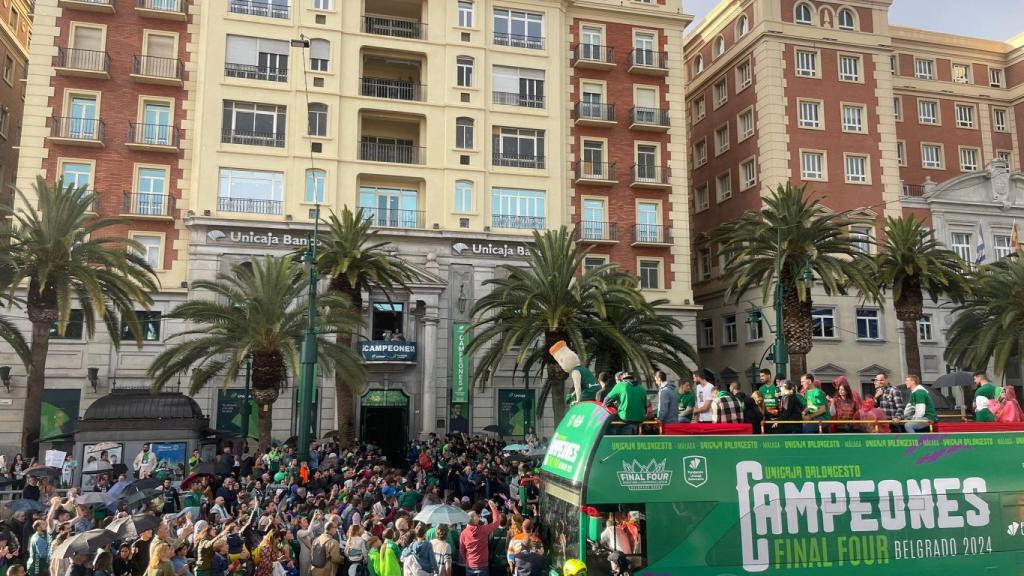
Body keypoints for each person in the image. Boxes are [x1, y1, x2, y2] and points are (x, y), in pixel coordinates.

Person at [459, 500, 502, 576]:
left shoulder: (463, 533)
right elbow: (496, 522)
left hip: (470, 564)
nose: (479, 516)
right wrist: (493, 508)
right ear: (474, 520)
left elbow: (462, 550)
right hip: (482, 565)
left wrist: (467, 560)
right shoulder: (483, 530)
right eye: (477, 515)